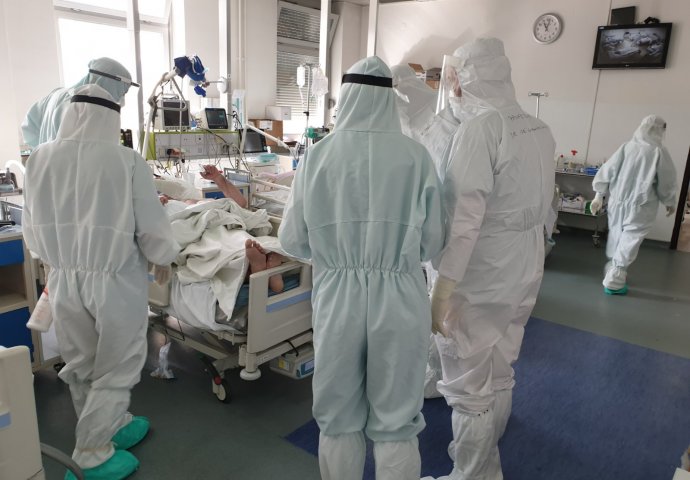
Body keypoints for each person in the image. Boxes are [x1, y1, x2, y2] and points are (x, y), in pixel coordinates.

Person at [278, 56, 445, 480]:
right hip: (401, 297)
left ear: (346, 96)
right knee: (396, 420)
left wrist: (336, 251)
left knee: (338, 417)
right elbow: (433, 243)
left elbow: (292, 240)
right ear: (390, 98)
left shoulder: (317, 157)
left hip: (338, 299)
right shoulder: (416, 158)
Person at [22, 84, 179, 480]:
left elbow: (31, 230)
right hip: (114, 283)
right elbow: (152, 228)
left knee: (83, 362)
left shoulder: (39, 158)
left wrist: (61, 260)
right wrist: (163, 258)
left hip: (63, 278)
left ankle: (112, 427)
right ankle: (91, 455)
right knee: (116, 367)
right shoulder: (126, 161)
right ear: (112, 117)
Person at [424, 38, 556, 480]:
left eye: (454, 79)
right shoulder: (538, 128)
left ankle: (473, 473)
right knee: (499, 367)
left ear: (465, 78)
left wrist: (443, 288)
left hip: (482, 266)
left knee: (468, 384)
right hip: (525, 259)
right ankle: (482, 456)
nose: (453, 88)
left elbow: (461, 221)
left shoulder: (479, 130)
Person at [590, 115, 677, 294]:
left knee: (617, 235)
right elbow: (667, 181)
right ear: (660, 130)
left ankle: (614, 268)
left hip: (617, 202)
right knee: (630, 238)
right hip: (641, 206)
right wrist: (669, 201)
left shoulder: (626, 147)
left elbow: (607, 171)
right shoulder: (659, 152)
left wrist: (599, 195)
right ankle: (615, 279)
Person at [22, 57, 137, 149]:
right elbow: (96, 150)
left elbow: (28, 128)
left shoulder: (56, 95)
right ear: (107, 82)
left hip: (45, 166)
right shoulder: (85, 109)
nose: (122, 101)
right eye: (122, 92)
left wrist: (43, 150)